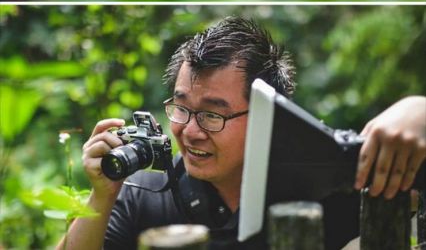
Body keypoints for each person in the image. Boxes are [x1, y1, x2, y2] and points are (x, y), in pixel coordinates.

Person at [57, 17, 426, 250]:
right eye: (182, 107)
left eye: (213, 115)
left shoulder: (323, 188)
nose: (190, 131)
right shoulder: (142, 195)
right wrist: (101, 198)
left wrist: (418, 111)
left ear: (268, 113)